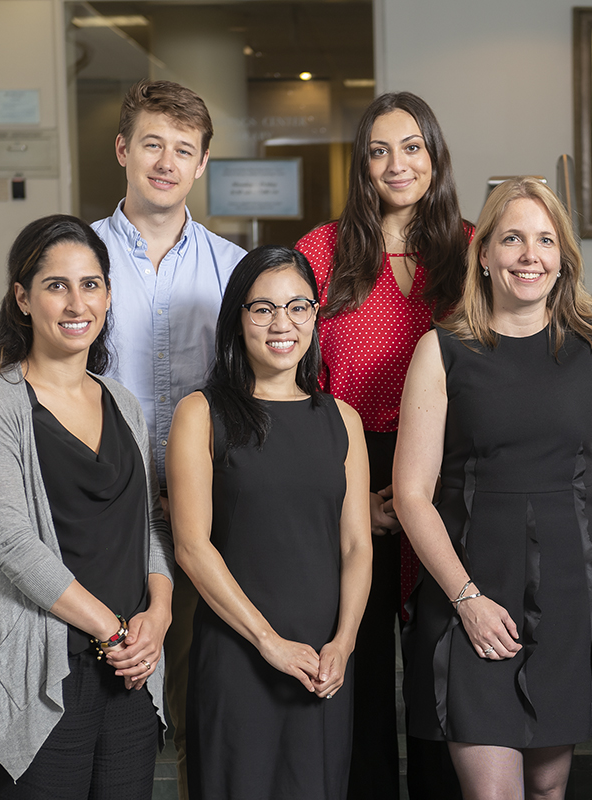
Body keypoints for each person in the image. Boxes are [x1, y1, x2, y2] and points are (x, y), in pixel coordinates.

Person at [396, 177, 592, 800]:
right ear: (484, 255)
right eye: (512, 239)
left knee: (549, 788)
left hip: (571, 586)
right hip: (470, 591)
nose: (530, 255)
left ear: (563, 258)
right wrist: (466, 598)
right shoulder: (440, 350)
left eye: (546, 241)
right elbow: (411, 495)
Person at [0, 214, 174, 796]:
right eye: (57, 286)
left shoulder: (123, 402)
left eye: (91, 284)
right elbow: (9, 542)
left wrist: (159, 614)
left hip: (130, 674)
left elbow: (150, 523)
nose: (78, 304)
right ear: (23, 299)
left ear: (107, 295)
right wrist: (111, 631)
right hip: (39, 671)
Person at [293, 91, 470, 799]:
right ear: (361, 164)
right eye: (378, 150)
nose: (397, 164)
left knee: (440, 675)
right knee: (357, 676)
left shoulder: (472, 247)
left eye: (412, 147)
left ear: (435, 156)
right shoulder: (320, 251)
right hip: (345, 471)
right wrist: (350, 500)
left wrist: (432, 491)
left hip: (448, 479)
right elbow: (293, 385)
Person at [165, 245, 373, 798]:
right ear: (238, 318)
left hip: (322, 659)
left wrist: (345, 642)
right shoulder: (200, 413)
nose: (283, 324)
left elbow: (356, 545)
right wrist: (268, 641)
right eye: (263, 309)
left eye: (298, 307)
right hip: (238, 650)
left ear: (315, 315)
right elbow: (192, 547)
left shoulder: (342, 420)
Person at [91, 78, 245, 798]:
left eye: (183, 149)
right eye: (152, 144)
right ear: (123, 149)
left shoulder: (233, 270)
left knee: (197, 712)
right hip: (96, 517)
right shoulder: (76, 259)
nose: (166, 162)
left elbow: (249, 394)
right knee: (96, 713)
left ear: (202, 163)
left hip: (199, 522)